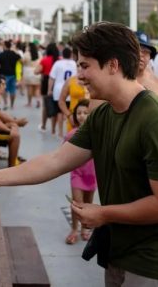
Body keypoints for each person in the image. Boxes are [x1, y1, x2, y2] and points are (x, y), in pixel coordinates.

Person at [0, 22, 158, 286]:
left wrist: (104, 214)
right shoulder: (103, 115)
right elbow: (56, 160)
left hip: (155, 260)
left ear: (113, 65)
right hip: (120, 250)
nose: (79, 75)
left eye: (85, 66)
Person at [63, 99, 97, 245]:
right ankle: (74, 229)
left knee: (88, 203)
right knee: (77, 203)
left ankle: (85, 229)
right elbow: (62, 154)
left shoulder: (98, 134)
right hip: (77, 173)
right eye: (79, 113)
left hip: (93, 174)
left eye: (85, 113)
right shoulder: (71, 134)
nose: (82, 116)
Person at [48, 47, 77, 138]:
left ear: (62, 54)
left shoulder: (57, 63)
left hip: (58, 90)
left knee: (59, 112)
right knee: (69, 111)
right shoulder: (74, 64)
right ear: (71, 54)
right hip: (71, 88)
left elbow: (52, 78)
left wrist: (49, 89)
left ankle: (60, 131)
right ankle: (70, 130)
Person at [135, 32, 158, 100]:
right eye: (137, 50)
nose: (141, 54)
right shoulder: (118, 80)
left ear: (150, 57)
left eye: (146, 52)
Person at [36, 42, 59, 132]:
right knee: (55, 105)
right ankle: (53, 129)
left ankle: (44, 125)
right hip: (57, 82)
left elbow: (36, 71)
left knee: (46, 105)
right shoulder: (59, 60)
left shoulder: (45, 60)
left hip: (46, 81)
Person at [0, 40, 22, 110]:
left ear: (4, 46)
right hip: (13, 74)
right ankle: (12, 105)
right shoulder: (14, 54)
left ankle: (5, 103)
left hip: (3, 74)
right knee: (13, 90)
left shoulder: (1, 54)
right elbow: (21, 61)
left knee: (4, 89)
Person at [22, 42, 41, 107]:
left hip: (28, 72)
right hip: (37, 71)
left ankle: (29, 103)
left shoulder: (26, 54)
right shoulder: (39, 53)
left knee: (29, 88)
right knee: (37, 88)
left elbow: (22, 61)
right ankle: (38, 100)